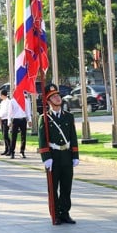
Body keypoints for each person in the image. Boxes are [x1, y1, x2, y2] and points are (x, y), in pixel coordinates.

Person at [38, 83, 79, 225]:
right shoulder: (44, 118)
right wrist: (46, 158)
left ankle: (65, 213)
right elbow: (42, 140)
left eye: (57, 96)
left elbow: (73, 137)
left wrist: (75, 155)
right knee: (53, 188)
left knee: (66, 187)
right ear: (48, 102)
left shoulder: (68, 117)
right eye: (53, 97)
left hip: (66, 156)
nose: (57, 98)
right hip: (53, 157)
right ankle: (55, 215)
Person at [9, 93, 28, 159]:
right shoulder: (12, 101)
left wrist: (30, 119)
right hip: (15, 119)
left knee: (23, 136)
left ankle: (22, 152)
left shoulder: (25, 100)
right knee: (13, 136)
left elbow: (27, 110)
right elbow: (10, 112)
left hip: (23, 119)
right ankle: (12, 152)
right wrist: (9, 121)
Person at [0, 90, 12, 156]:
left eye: (0, 94)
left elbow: (7, 111)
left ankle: (10, 149)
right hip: (2, 119)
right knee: (4, 135)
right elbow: (0, 111)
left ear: (3, 95)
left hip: (6, 119)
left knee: (5, 135)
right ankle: (6, 149)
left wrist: (1, 116)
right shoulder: (2, 102)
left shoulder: (8, 102)